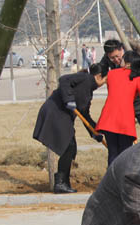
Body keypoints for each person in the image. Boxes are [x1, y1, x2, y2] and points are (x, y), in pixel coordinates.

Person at [33, 62, 108, 193]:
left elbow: (84, 114)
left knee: (71, 148)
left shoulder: (88, 90)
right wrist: (69, 99)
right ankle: (60, 184)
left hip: (62, 116)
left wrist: (95, 132)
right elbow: (64, 80)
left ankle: (64, 183)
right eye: (105, 80)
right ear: (99, 76)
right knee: (69, 147)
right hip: (55, 112)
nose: (105, 83)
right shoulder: (85, 78)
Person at [96, 50, 140, 165]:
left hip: (109, 118)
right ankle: (122, 175)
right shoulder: (139, 78)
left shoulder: (111, 74)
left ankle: (111, 175)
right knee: (125, 153)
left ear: (128, 62)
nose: (120, 60)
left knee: (113, 152)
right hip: (125, 119)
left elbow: (113, 92)